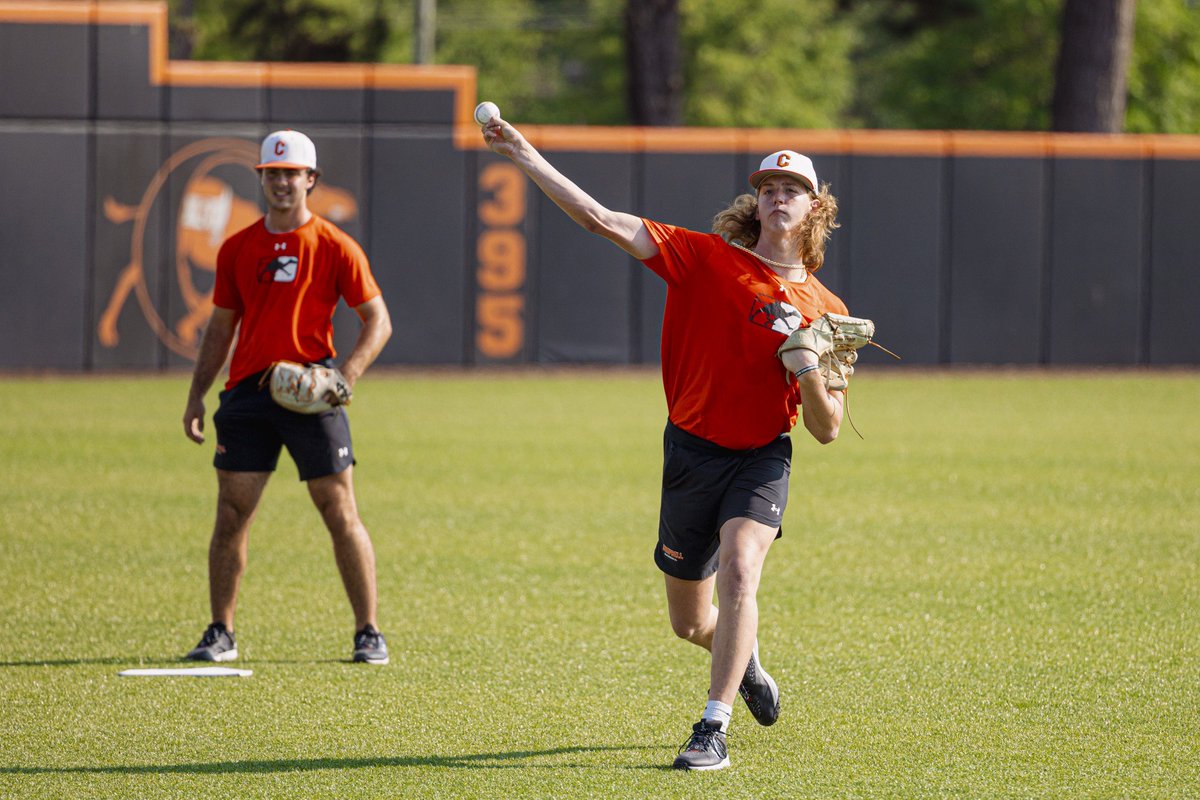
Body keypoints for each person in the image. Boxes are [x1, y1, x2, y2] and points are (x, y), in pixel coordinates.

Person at [484, 118, 848, 770]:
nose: (779, 196)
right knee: (690, 623)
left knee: (741, 568)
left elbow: (826, 428)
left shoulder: (828, 309)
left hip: (761, 457)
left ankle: (712, 728)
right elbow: (599, 218)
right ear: (756, 201)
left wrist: (808, 369)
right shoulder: (704, 256)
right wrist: (523, 153)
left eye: (793, 187)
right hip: (689, 453)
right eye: (769, 186)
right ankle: (746, 659)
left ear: (815, 205)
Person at [181, 130, 394, 665]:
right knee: (231, 514)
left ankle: (369, 631)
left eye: (291, 173)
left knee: (338, 509)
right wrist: (196, 397)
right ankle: (221, 632)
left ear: (310, 180)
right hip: (248, 395)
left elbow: (378, 321)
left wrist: (345, 376)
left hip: (311, 392)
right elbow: (220, 329)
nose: (281, 181)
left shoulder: (335, 245)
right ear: (261, 178)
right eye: (272, 173)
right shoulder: (237, 248)